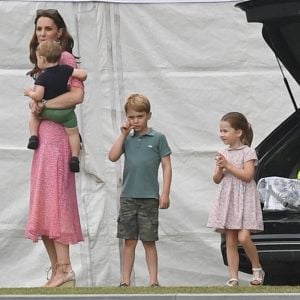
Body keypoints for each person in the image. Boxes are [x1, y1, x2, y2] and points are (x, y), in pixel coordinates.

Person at [25, 9, 84, 288]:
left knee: (57, 200)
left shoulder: (64, 58)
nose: (43, 33)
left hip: (60, 137)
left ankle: (66, 268)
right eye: (39, 29)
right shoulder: (42, 60)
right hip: (44, 140)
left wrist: (43, 106)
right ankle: (57, 269)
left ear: (59, 31)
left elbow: (76, 96)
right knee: (44, 201)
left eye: (48, 28)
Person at [109, 93, 172, 287]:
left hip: (149, 198)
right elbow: (112, 157)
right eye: (131, 117)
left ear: (148, 115)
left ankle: (153, 281)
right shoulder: (127, 139)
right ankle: (125, 281)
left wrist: (165, 193)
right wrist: (123, 133)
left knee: (149, 240)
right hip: (128, 197)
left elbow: (167, 166)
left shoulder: (159, 138)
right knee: (129, 240)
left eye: (140, 116)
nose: (135, 121)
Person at [207, 112, 264, 287]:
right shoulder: (222, 152)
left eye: (225, 131)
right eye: (220, 131)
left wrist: (228, 166)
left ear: (238, 132)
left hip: (244, 198)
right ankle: (233, 277)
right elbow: (217, 179)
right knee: (230, 238)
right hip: (229, 198)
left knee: (244, 237)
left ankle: (257, 268)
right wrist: (219, 168)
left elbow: (247, 176)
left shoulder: (248, 152)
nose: (221, 134)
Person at [24, 40, 87, 172]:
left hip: (47, 111)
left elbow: (39, 96)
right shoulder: (65, 69)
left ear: (42, 59)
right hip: (66, 113)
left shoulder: (43, 77)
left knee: (34, 114)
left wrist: (29, 92)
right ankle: (75, 157)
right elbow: (82, 74)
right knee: (73, 133)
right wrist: (81, 74)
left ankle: (33, 136)